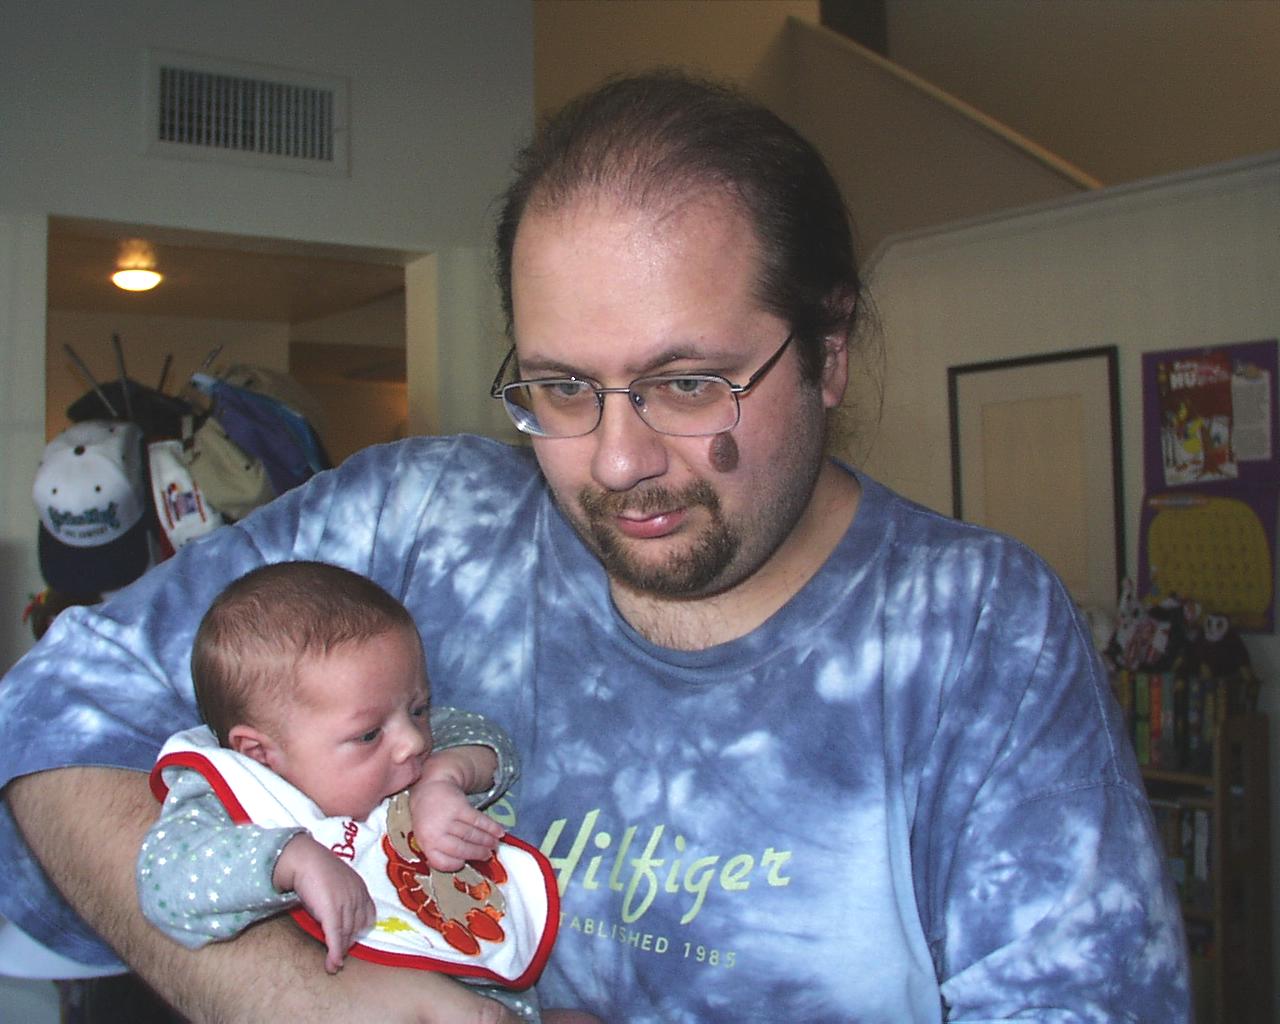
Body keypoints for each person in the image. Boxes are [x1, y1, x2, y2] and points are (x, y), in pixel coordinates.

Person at [0, 71, 1190, 1023]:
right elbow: (50, 710)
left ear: (828, 352)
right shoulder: (415, 519)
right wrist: (296, 996)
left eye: (687, 381)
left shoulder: (975, 634)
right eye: (563, 386)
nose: (616, 460)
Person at [137, 561, 557, 1024]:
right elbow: (164, 883)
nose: (412, 741)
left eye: (418, 708)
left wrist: (443, 778)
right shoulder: (231, 795)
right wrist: (288, 859)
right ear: (260, 753)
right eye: (368, 734)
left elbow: (487, 739)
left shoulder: (404, 753)